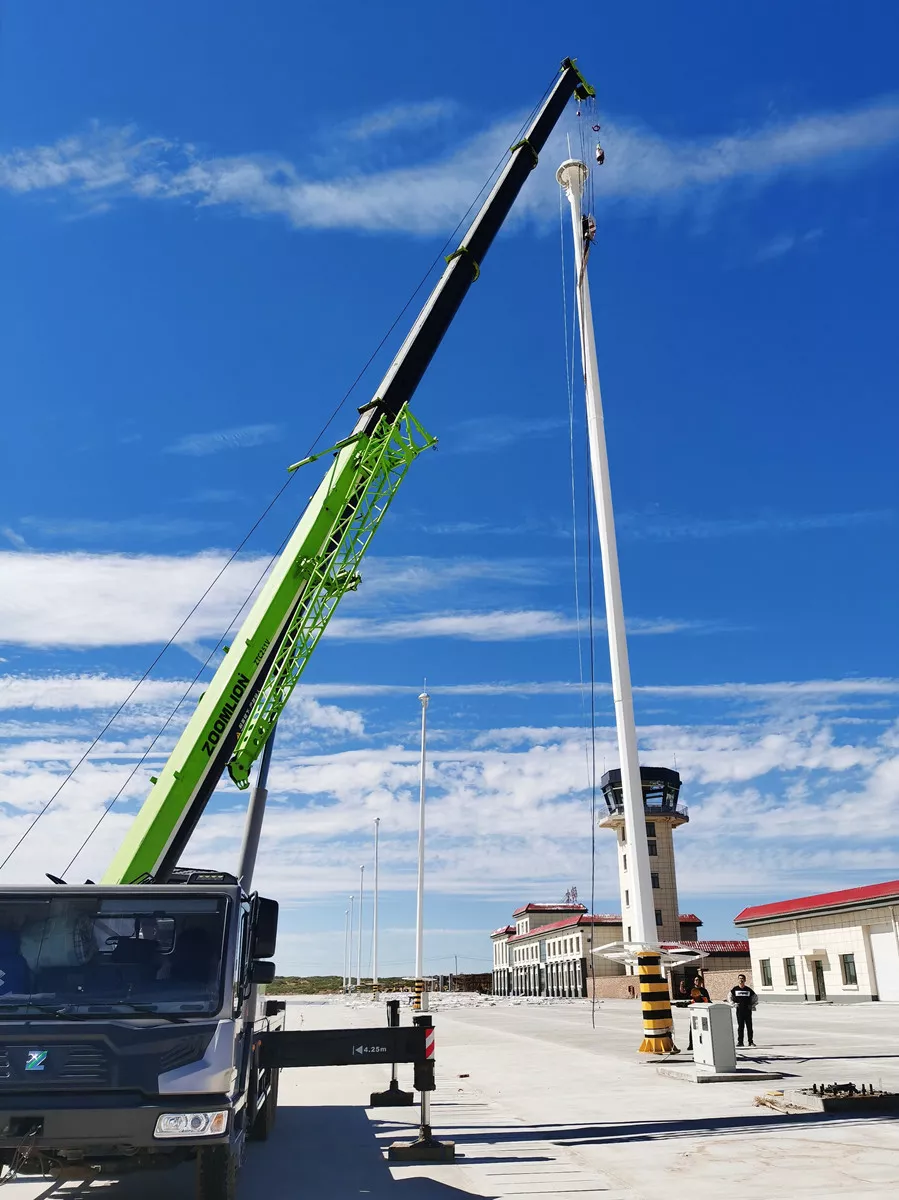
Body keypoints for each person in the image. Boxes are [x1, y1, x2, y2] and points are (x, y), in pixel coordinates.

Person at [729, 974, 758, 1047]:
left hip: (747, 1011)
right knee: (740, 1027)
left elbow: (755, 998)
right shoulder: (735, 989)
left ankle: (750, 1042)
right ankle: (740, 1042)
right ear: (738, 980)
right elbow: (729, 997)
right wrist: (733, 1004)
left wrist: (752, 1005)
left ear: (745, 980)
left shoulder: (748, 990)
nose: (741, 980)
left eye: (742, 978)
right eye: (739, 978)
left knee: (749, 1027)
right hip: (739, 1011)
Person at [686, 974, 711, 1051]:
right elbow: (683, 992)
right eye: (696, 980)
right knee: (693, 1027)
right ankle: (691, 1044)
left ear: (701, 982)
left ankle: (705, 1043)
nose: (697, 982)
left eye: (698, 980)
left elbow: (708, 1000)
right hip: (694, 1011)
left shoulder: (704, 990)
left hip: (702, 1011)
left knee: (704, 1028)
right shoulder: (692, 989)